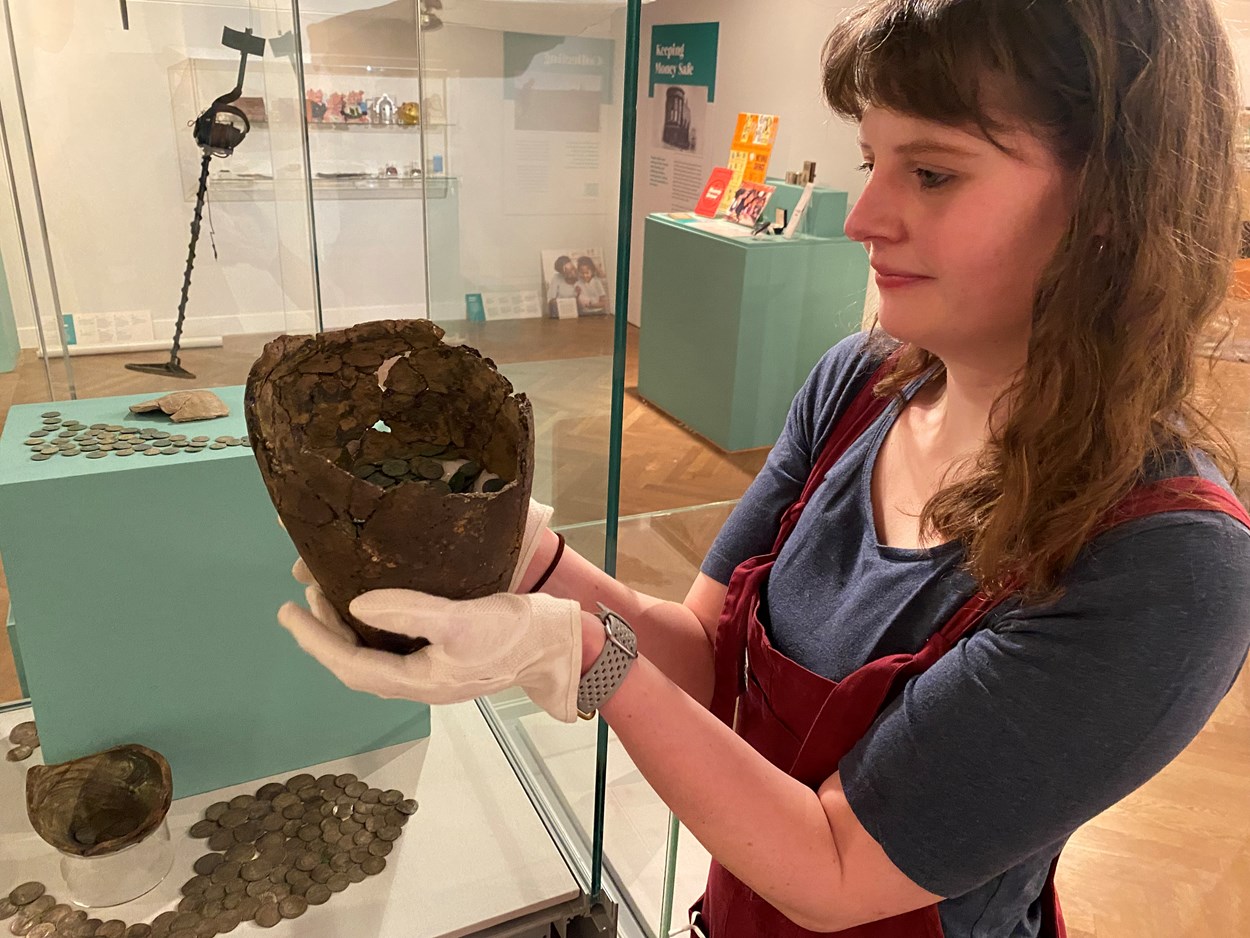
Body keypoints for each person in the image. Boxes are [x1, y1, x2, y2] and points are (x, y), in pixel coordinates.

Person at [277, 1, 1250, 936]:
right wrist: (523, 564)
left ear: (1111, 204)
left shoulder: (1165, 566)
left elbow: (831, 870)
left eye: (933, 174)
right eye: (870, 161)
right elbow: (703, 664)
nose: (863, 214)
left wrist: (572, 651)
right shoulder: (857, 386)